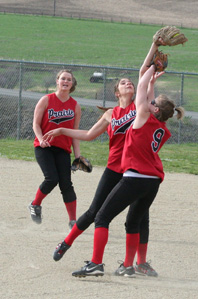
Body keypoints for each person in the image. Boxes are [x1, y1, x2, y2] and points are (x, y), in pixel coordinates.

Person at [43, 41, 165, 276]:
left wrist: (152, 47)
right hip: (115, 169)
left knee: (140, 218)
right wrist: (61, 131)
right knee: (94, 212)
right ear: (116, 92)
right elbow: (88, 134)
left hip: (136, 171)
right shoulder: (112, 114)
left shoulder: (141, 108)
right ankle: (66, 242)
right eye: (122, 83)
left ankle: (140, 262)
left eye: (130, 82)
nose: (128, 83)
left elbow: (143, 73)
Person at [70, 64, 184, 278]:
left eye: (153, 103)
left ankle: (95, 263)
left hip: (135, 177)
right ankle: (129, 266)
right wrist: (152, 83)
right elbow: (147, 95)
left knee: (102, 217)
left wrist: (150, 69)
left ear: (155, 110)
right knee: (134, 222)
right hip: (153, 182)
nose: (149, 102)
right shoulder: (161, 126)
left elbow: (141, 89)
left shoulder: (141, 115)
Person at [29, 70, 81, 230]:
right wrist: (41, 138)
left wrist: (77, 156)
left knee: (66, 184)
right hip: (44, 147)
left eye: (69, 79)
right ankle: (35, 205)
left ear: (72, 84)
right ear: (57, 81)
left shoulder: (75, 106)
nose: (66, 81)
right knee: (52, 179)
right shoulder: (46, 100)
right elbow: (36, 124)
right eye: (63, 78)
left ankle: (73, 221)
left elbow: (75, 133)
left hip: (63, 150)